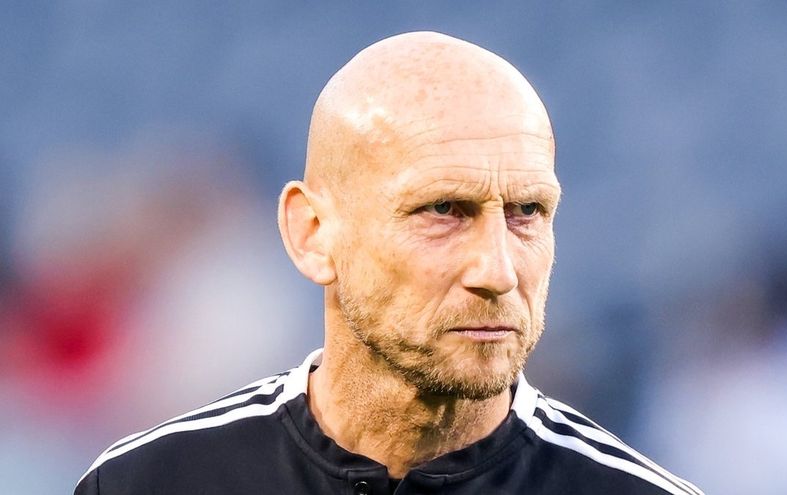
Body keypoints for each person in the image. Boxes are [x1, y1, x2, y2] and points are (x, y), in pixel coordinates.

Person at [75, 31, 703, 495]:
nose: (498, 271)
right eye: (444, 210)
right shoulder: (148, 484)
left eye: (527, 212)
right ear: (313, 233)